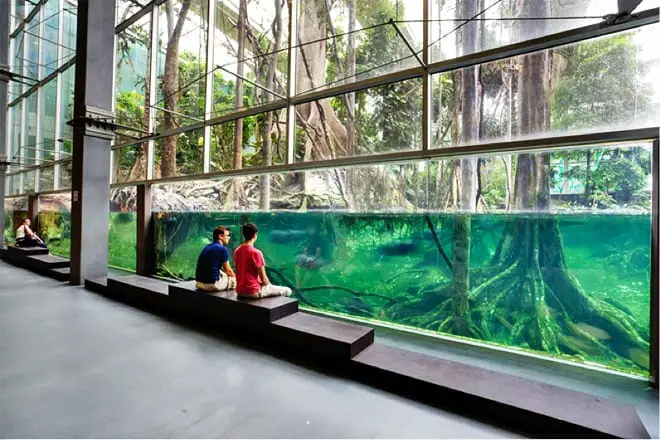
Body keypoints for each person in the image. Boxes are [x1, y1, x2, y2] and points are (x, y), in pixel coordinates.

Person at [234, 223, 292, 298]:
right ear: (255, 235)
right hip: (253, 292)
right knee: (288, 290)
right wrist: (269, 286)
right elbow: (264, 279)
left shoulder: (237, 250)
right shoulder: (256, 253)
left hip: (240, 291)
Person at [195, 226, 236, 292]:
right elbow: (228, 271)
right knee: (233, 280)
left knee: (223, 273)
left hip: (198, 283)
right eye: (228, 235)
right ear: (220, 236)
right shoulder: (223, 249)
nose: (229, 237)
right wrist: (236, 279)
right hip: (212, 285)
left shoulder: (207, 246)